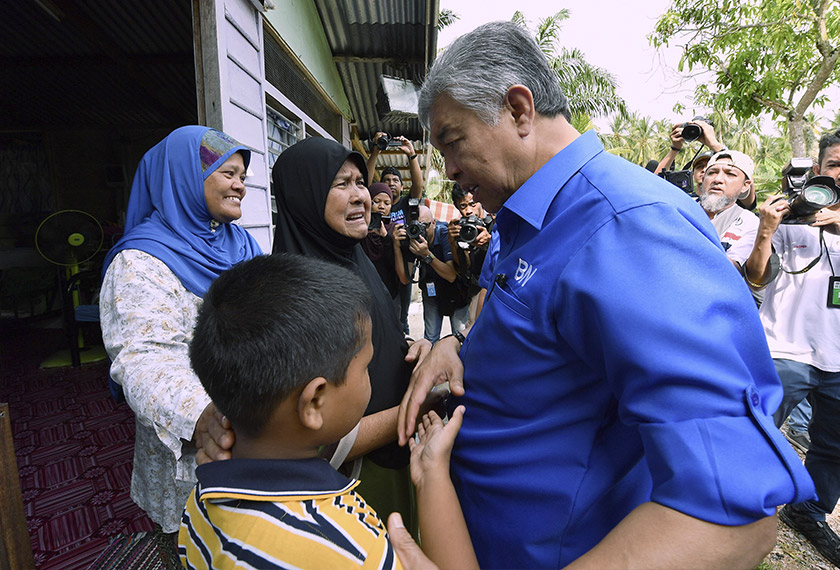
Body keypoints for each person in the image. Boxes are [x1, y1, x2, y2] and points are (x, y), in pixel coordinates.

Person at [397, 21, 814, 569]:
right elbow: (542, 328)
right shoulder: (523, 212)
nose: (448, 171)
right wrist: (458, 344)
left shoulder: (627, 227)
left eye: (453, 141)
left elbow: (730, 513)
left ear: (520, 110)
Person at [179, 253, 477, 570]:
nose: (370, 376)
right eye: (366, 367)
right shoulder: (350, 550)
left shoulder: (199, 502)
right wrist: (434, 479)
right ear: (315, 402)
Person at [99, 126, 262, 539]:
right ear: (184, 176)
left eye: (243, 176)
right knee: (197, 549)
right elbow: (144, 357)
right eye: (228, 173)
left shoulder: (244, 246)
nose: (240, 186)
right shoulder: (141, 262)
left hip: (260, 439)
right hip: (198, 456)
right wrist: (204, 415)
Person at [269, 137, 432, 534]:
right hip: (351, 483)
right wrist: (413, 409)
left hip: (397, 454)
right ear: (304, 196)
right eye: (341, 184)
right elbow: (316, 439)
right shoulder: (296, 296)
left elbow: (377, 340)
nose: (360, 195)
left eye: (361, 181)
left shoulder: (353, 259)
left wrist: (412, 349)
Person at [743, 128, 840, 568]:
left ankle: (809, 511)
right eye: (836, 164)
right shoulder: (790, 217)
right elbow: (756, 277)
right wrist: (767, 228)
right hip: (785, 349)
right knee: (757, 427)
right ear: (819, 170)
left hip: (838, 359)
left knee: (834, 447)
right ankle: (736, 500)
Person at [367, 132, 425, 335]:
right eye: (387, 179)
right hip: (381, 263)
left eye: (395, 180)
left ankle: (403, 336)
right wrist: (375, 152)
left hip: (403, 263)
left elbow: (418, 186)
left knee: (401, 314)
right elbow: (366, 183)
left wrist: (412, 156)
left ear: (401, 185)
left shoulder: (405, 204)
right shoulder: (376, 204)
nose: (391, 183)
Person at [393, 205, 466, 343]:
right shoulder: (412, 238)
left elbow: (451, 276)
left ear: (433, 223)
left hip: (456, 293)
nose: (420, 231)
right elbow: (404, 279)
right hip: (431, 291)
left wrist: (426, 254)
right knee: (430, 338)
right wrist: (396, 246)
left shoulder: (444, 234)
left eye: (424, 226)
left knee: (460, 338)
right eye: (415, 226)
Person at [696, 150, 759, 269]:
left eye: (730, 174)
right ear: (703, 179)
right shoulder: (682, 208)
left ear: (745, 185)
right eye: (712, 173)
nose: (718, 179)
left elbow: (731, 269)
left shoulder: (749, 223)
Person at [447, 183, 493, 324]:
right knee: (474, 328)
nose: (468, 211)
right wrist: (452, 242)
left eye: (472, 204)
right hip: (475, 289)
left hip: (496, 288)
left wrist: (491, 241)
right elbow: (463, 266)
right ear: (456, 207)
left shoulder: (495, 223)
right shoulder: (460, 228)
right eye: (463, 206)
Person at [361, 182, 401, 314]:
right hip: (364, 291)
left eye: (387, 203)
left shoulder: (395, 229)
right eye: (376, 201)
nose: (381, 206)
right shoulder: (358, 227)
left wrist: (386, 237)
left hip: (389, 291)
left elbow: (396, 264)